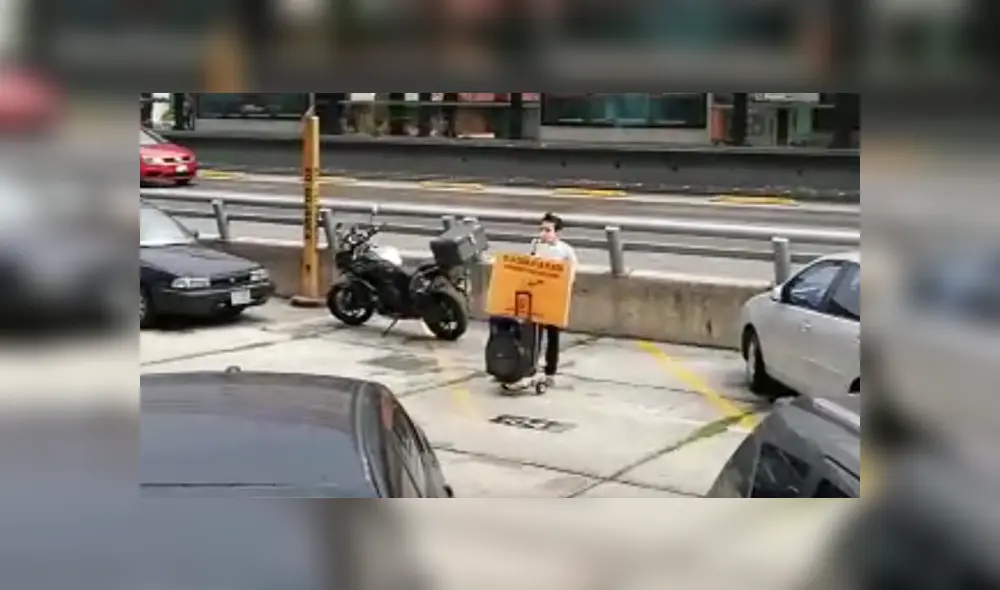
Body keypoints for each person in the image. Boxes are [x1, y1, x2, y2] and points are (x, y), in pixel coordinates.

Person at [530, 212, 577, 386]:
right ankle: (532, 366)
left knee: (553, 336)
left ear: (557, 232)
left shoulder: (566, 251)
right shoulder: (536, 245)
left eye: (547, 230)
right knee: (534, 334)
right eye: (541, 229)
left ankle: (551, 371)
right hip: (538, 294)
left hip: (555, 297)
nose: (543, 233)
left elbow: (570, 275)